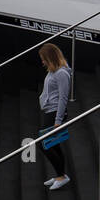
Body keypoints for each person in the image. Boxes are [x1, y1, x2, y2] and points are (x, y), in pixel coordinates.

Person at [38, 43, 72, 190]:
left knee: (44, 144)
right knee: (53, 144)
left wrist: (58, 120)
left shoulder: (61, 73)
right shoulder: (53, 71)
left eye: (44, 58)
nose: (42, 62)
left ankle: (61, 176)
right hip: (49, 111)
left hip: (54, 113)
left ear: (50, 58)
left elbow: (63, 98)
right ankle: (60, 174)